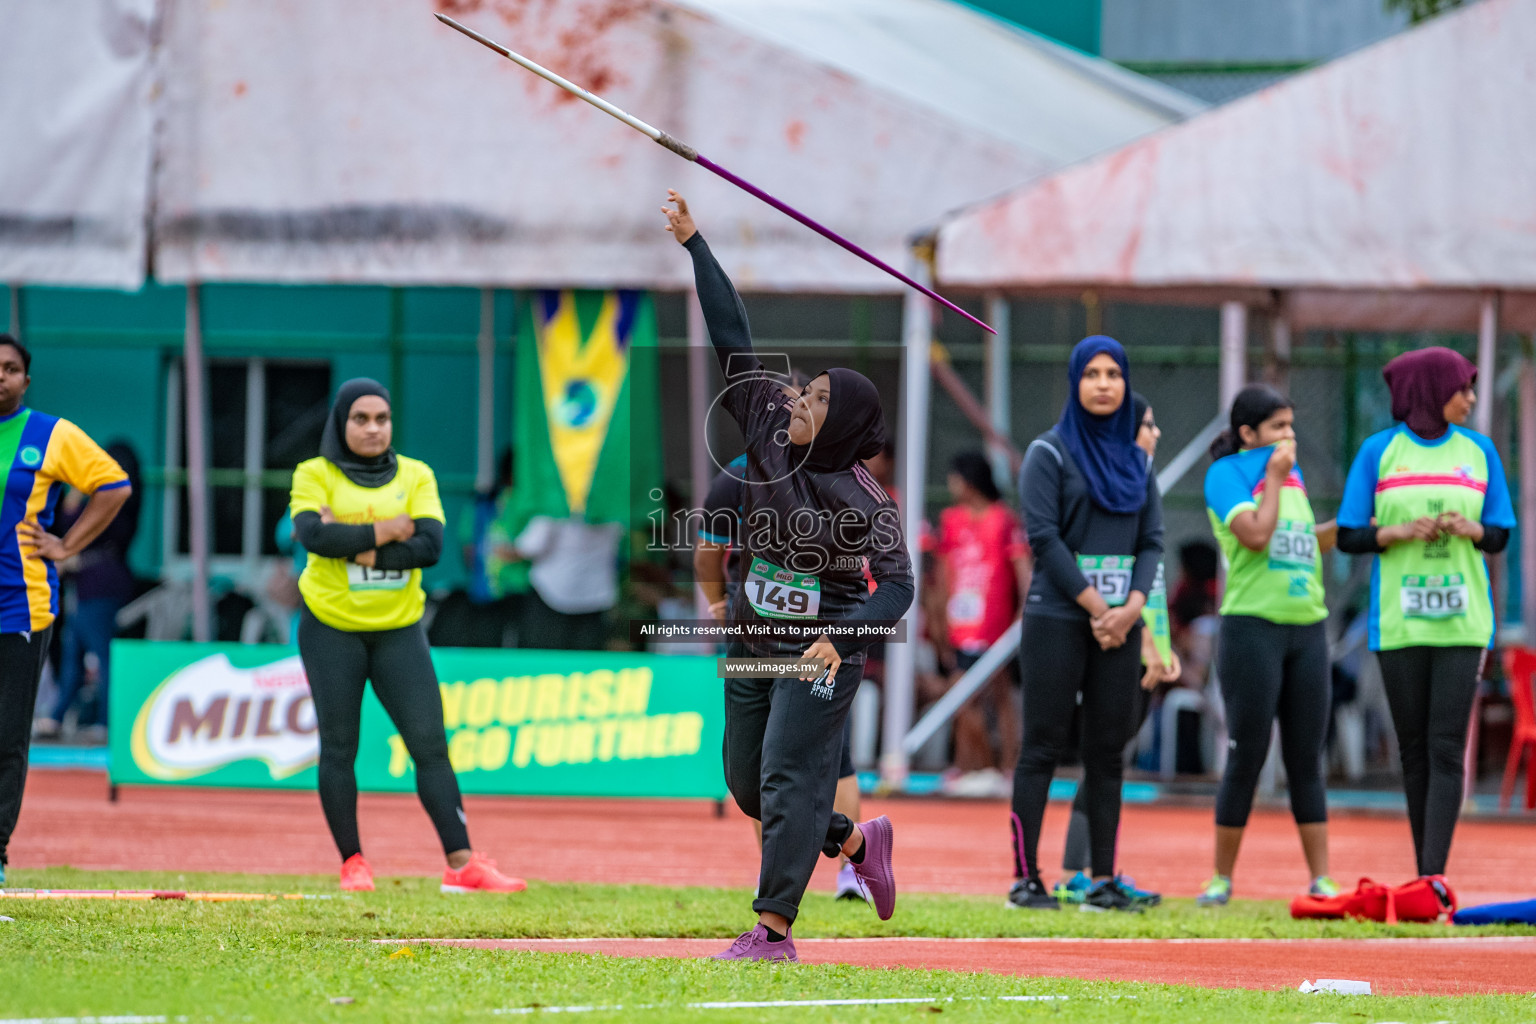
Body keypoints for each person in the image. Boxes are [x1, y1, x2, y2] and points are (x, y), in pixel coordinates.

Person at [666, 191, 912, 962]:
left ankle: (772, 931)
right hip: (751, 641)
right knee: (749, 788)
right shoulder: (770, 424)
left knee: (786, 777)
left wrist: (844, 639)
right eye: (805, 391)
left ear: (844, 427)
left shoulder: (866, 502)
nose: (797, 399)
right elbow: (732, 335)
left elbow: (900, 588)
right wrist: (696, 244)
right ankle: (852, 840)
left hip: (820, 654)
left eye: (817, 399)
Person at [290, 378, 523, 894]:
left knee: (430, 745)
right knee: (339, 747)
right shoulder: (314, 474)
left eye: (382, 419)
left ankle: (461, 865)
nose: (373, 429)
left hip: (399, 631)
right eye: (360, 419)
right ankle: (354, 864)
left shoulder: (416, 475)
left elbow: (430, 548)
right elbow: (313, 536)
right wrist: (390, 529)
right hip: (331, 629)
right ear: (341, 423)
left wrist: (356, 546)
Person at [1336, 347, 1514, 880]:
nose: (1472, 399)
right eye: (1463, 389)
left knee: (1445, 745)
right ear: (1432, 390)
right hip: (1399, 621)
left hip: (1463, 622)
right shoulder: (1378, 453)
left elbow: (1501, 534)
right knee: (1412, 749)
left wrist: (1472, 529)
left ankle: (1432, 876)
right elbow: (1348, 534)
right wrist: (1394, 533)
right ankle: (1422, 870)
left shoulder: (1480, 452)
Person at [1008, 337, 1164, 912]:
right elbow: (1043, 538)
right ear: (1075, 382)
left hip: (1119, 627)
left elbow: (1151, 541)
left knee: (1107, 753)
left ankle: (1103, 880)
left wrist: (1131, 608)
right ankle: (1026, 879)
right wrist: (1101, 609)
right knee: (1042, 747)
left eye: (1114, 374)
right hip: (1058, 617)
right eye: (1092, 374)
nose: (1104, 384)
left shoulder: (1136, 461)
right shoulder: (1048, 454)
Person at [694, 407, 870, 906]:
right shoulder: (744, 475)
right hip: (770, 638)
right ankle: (839, 863)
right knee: (774, 769)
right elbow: (708, 552)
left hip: (815, 643)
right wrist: (717, 604)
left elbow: (875, 566)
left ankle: (806, 879)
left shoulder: (833, 475)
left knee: (818, 760)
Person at [1195, 384, 1338, 907]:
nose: (1289, 437)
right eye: (1278, 427)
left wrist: (1343, 530)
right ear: (1248, 433)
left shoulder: (1290, 478)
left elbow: (1297, 539)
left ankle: (1321, 880)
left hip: (1307, 628)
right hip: (1251, 628)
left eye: (1292, 426)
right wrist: (1274, 479)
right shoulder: (1227, 475)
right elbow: (1256, 534)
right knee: (1246, 753)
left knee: (1306, 757)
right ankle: (1221, 878)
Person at [0, 335, 132, 886]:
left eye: (9, 369)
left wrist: (67, 545)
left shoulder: (50, 435)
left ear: (25, 381)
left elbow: (113, 486)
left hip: (20, 606)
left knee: (7, 736)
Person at [1054, 393, 1178, 905]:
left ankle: (1081, 871)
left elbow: (1154, 578)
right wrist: (1147, 640)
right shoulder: (1114, 491)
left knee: (1109, 758)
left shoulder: (1140, 487)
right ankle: (1079, 873)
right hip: (1117, 640)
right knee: (1105, 759)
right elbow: (1119, 575)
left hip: (1141, 639)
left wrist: (1161, 641)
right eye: (1148, 425)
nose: (1156, 433)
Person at [931, 451, 1029, 793]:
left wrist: (1020, 617)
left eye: (955, 476)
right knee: (961, 695)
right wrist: (940, 618)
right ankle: (969, 763)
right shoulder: (951, 520)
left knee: (1000, 694)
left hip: (996, 622)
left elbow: (1021, 570)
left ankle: (1008, 767)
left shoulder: (1004, 520)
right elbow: (944, 573)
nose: (951, 483)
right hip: (960, 622)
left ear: (969, 479)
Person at [34, 442, 141, 741]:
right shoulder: (126, 502)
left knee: (99, 654)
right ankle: (57, 717)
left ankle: (105, 722)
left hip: (99, 586)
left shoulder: (114, 501)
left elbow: (71, 525)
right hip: (92, 584)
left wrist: (75, 495)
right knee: (74, 652)